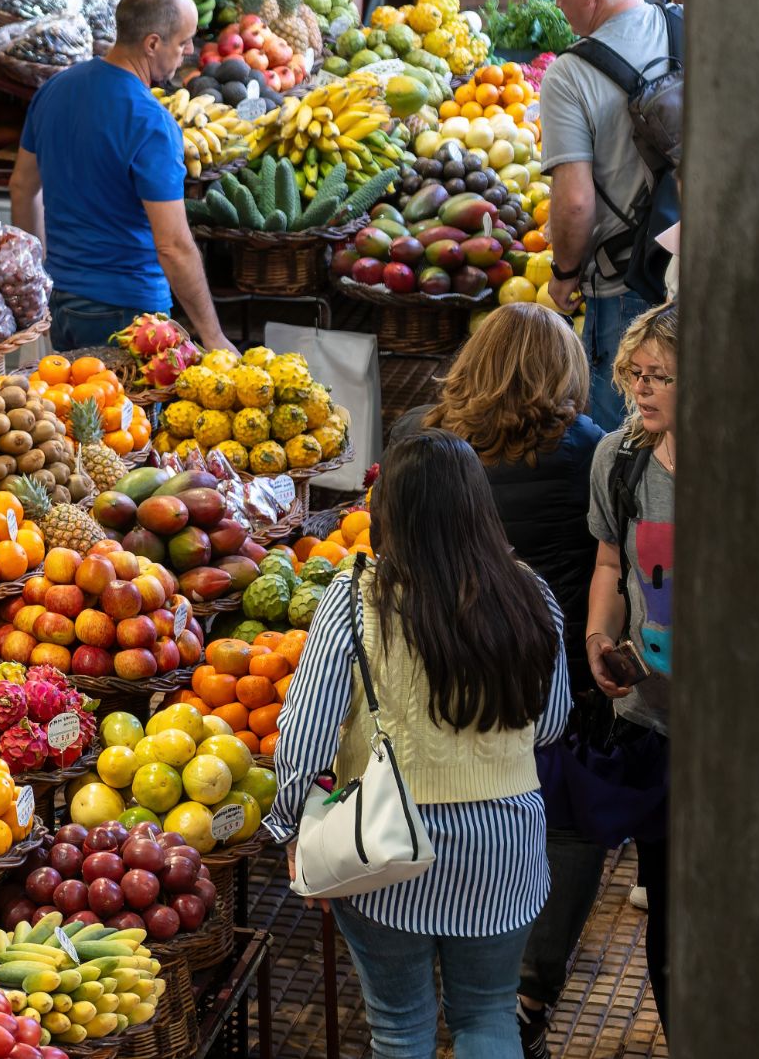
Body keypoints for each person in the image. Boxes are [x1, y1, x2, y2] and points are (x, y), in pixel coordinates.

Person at [265, 429, 571, 1059]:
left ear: (385, 512)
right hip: (504, 845)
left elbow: (305, 735)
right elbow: (553, 721)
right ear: (478, 506)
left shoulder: (355, 599)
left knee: (400, 1028)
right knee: (488, 1014)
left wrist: (293, 824)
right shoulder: (529, 594)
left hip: (383, 841)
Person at [386, 304, 607, 1059]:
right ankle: (531, 987)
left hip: (430, 666)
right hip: (544, 677)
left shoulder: (421, 434)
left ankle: (425, 972)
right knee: (566, 824)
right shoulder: (589, 452)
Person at [10, 0, 234, 353]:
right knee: (130, 414)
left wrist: (39, 280)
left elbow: (22, 187)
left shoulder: (54, 90)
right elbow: (174, 245)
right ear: (152, 44)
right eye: (182, 42)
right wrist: (213, 336)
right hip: (129, 315)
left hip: (62, 305)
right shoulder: (151, 123)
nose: (189, 51)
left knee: (72, 410)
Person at [538, 0, 675, 430]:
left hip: (624, 285)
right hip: (695, 264)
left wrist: (565, 274)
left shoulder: (569, 74)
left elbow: (575, 203)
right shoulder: (688, 31)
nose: (557, 1)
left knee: (623, 440)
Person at [583, 301, 677, 1031]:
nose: (644, 391)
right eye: (636, 375)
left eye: (664, 378)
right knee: (672, 906)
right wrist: (599, 634)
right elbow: (612, 560)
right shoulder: (618, 459)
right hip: (653, 723)